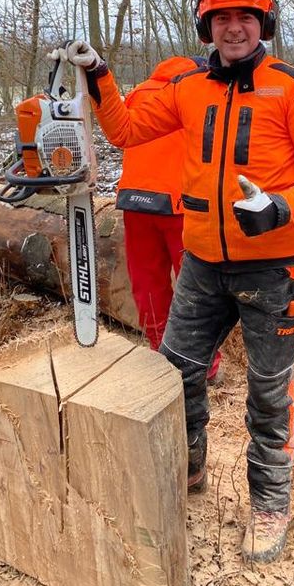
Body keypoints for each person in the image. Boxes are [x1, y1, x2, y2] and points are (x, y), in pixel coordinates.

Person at [60, 0, 294, 564]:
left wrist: (284, 205)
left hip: (275, 268)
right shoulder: (188, 85)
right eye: (222, 19)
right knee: (177, 372)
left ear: (263, 21)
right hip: (201, 264)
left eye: (245, 16)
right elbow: (125, 130)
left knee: (268, 393)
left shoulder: (293, 89)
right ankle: (189, 467)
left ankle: (269, 504)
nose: (234, 27)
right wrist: (100, 75)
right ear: (206, 25)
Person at [117, 56, 222, 382]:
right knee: (197, 286)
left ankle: (160, 352)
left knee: (147, 283)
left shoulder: (138, 92)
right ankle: (207, 365)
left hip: (134, 199)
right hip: (180, 203)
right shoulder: (197, 91)